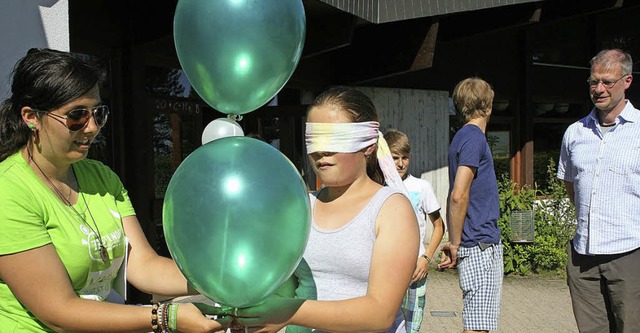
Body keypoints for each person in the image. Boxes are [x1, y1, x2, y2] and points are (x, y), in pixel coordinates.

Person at [0, 48, 226, 332]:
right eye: (77, 116)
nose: (92, 127)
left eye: (98, 113)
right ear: (31, 117)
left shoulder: (102, 177)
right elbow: (57, 311)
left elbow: (142, 264)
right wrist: (165, 317)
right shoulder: (8, 191)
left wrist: (219, 281)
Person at [232, 86, 419, 333]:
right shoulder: (300, 208)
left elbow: (380, 313)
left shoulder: (392, 209)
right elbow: (279, 285)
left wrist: (288, 312)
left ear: (369, 144)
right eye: (314, 139)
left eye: (335, 138)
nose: (322, 150)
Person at [557, 49, 640, 332]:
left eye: (607, 82)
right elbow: (572, 186)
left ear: (627, 81)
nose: (599, 89)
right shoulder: (575, 133)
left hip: (629, 252)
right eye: (594, 82)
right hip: (583, 256)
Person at [438, 77, 503, 333]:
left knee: (478, 322)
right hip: (481, 244)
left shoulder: (462, 137)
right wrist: (455, 243)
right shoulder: (474, 138)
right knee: (478, 326)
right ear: (488, 105)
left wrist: (455, 241)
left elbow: (455, 193)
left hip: (474, 241)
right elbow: (458, 194)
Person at [384, 129, 445, 333]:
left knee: (412, 326)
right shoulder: (377, 187)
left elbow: (439, 226)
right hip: (386, 269)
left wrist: (426, 258)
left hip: (416, 269)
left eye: (405, 158)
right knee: (386, 322)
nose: (400, 164)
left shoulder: (421, 186)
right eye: (394, 158)